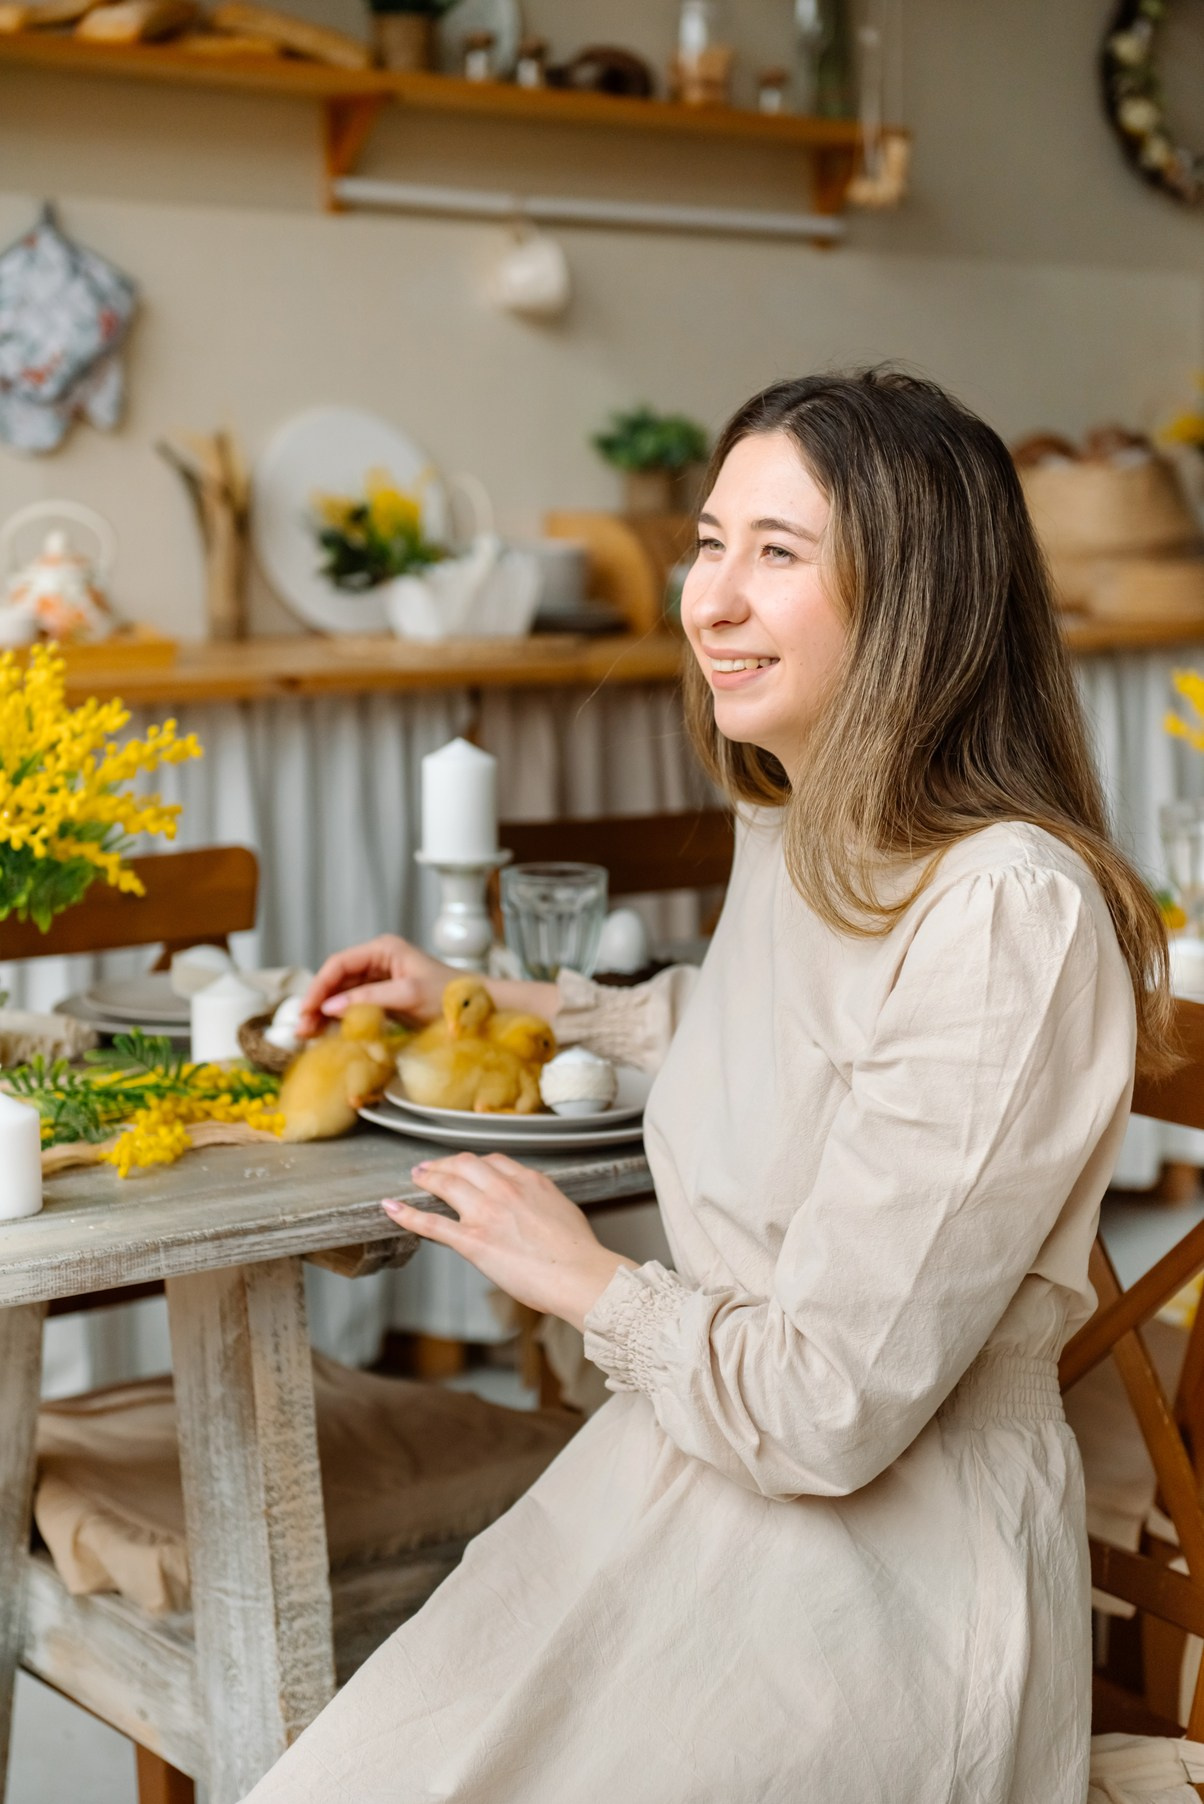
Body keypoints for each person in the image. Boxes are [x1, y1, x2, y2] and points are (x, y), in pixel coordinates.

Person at [244, 370, 1173, 1803]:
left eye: (778, 553)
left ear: (917, 602)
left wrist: (582, 1280)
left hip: (891, 1574)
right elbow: (776, 1036)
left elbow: (825, 1409)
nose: (710, 601)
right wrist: (515, 1002)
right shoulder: (807, 821)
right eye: (708, 540)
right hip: (695, 1478)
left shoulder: (1008, 914)